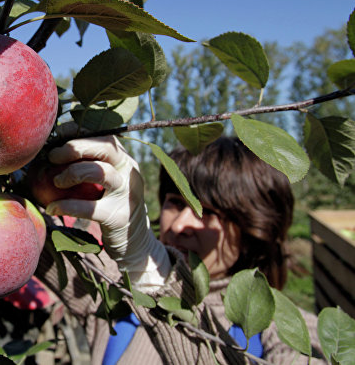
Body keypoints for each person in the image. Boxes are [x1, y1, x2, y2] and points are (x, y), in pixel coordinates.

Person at [34, 134, 326, 364]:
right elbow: (27, 238)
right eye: (175, 202)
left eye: (209, 211)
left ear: (254, 228)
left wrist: (151, 273)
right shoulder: (118, 288)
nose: (180, 224)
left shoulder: (292, 334)